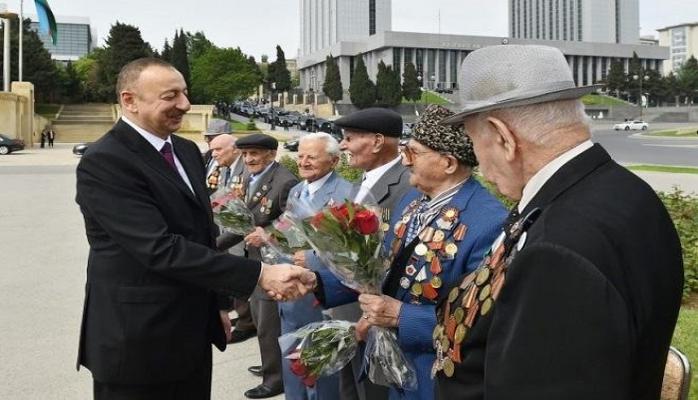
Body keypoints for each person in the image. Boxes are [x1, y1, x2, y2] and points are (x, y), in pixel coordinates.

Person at [433, 45, 683, 399]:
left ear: (503, 137)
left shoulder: (556, 251)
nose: (476, 161)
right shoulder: (625, 191)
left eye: (473, 141)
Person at [74, 57, 314, 400]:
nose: (184, 104)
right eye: (170, 96)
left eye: (185, 93)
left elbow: (202, 234)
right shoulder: (106, 161)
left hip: (192, 331)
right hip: (138, 340)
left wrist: (217, 305)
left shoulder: (185, 151)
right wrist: (259, 274)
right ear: (130, 100)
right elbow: (160, 248)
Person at [314, 104, 507, 400]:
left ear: (449, 163)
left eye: (413, 153)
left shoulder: (487, 222)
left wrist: (401, 316)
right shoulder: (413, 201)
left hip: (437, 380)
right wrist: (315, 281)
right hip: (398, 373)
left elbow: (481, 322)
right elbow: (382, 270)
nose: (404, 161)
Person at [329, 107, 412, 400]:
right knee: (351, 391)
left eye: (349, 138)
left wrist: (369, 317)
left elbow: (400, 259)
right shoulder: (360, 182)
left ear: (378, 141)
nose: (342, 145)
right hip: (349, 311)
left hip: (377, 319)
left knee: (374, 393)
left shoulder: (408, 184)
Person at [218, 133, 299, 399]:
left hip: (274, 263)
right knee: (261, 319)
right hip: (253, 260)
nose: (249, 159)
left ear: (272, 154)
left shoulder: (285, 181)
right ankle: (270, 365)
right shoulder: (247, 178)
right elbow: (243, 222)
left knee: (268, 325)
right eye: (245, 154)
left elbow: (293, 224)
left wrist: (268, 233)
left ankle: (275, 380)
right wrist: (212, 246)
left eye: (255, 154)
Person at [280, 132, 352, 400]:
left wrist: (310, 259)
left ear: (333, 161)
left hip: (324, 295)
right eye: (300, 156)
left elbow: (351, 249)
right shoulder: (297, 189)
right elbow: (292, 235)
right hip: (292, 294)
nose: (304, 162)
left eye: (312, 156)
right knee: (293, 364)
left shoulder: (346, 192)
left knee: (323, 372)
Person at [202, 118, 232, 193]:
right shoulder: (208, 155)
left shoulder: (233, 157)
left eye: (212, 138)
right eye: (208, 138)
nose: (209, 141)